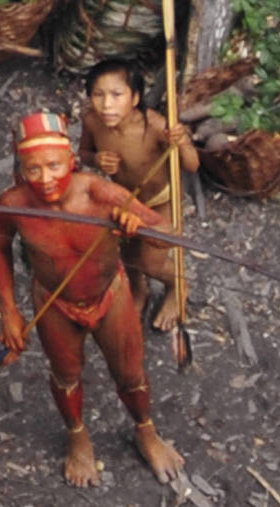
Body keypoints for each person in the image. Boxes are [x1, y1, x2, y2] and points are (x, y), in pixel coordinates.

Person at [0, 111, 185, 487]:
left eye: (54, 166)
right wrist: (8, 311)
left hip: (108, 294)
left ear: (71, 161)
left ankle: (145, 430)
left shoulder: (100, 193)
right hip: (55, 303)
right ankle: (77, 437)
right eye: (33, 170)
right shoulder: (13, 204)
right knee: (65, 376)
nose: (45, 180)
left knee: (130, 374)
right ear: (20, 170)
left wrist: (138, 225)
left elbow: (167, 233)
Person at [78, 59, 199, 331]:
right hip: (124, 201)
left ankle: (177, 286)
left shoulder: (155, 127)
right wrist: (97, 159)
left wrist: (180, 144)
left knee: (151, 260)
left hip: (161, 202)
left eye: (116, 95)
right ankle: (138, 290)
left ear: (134, 98)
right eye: (98, 95)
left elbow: (192, 165)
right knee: (128, 254)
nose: (106, 105)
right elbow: (83, 154)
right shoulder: (92, 122)